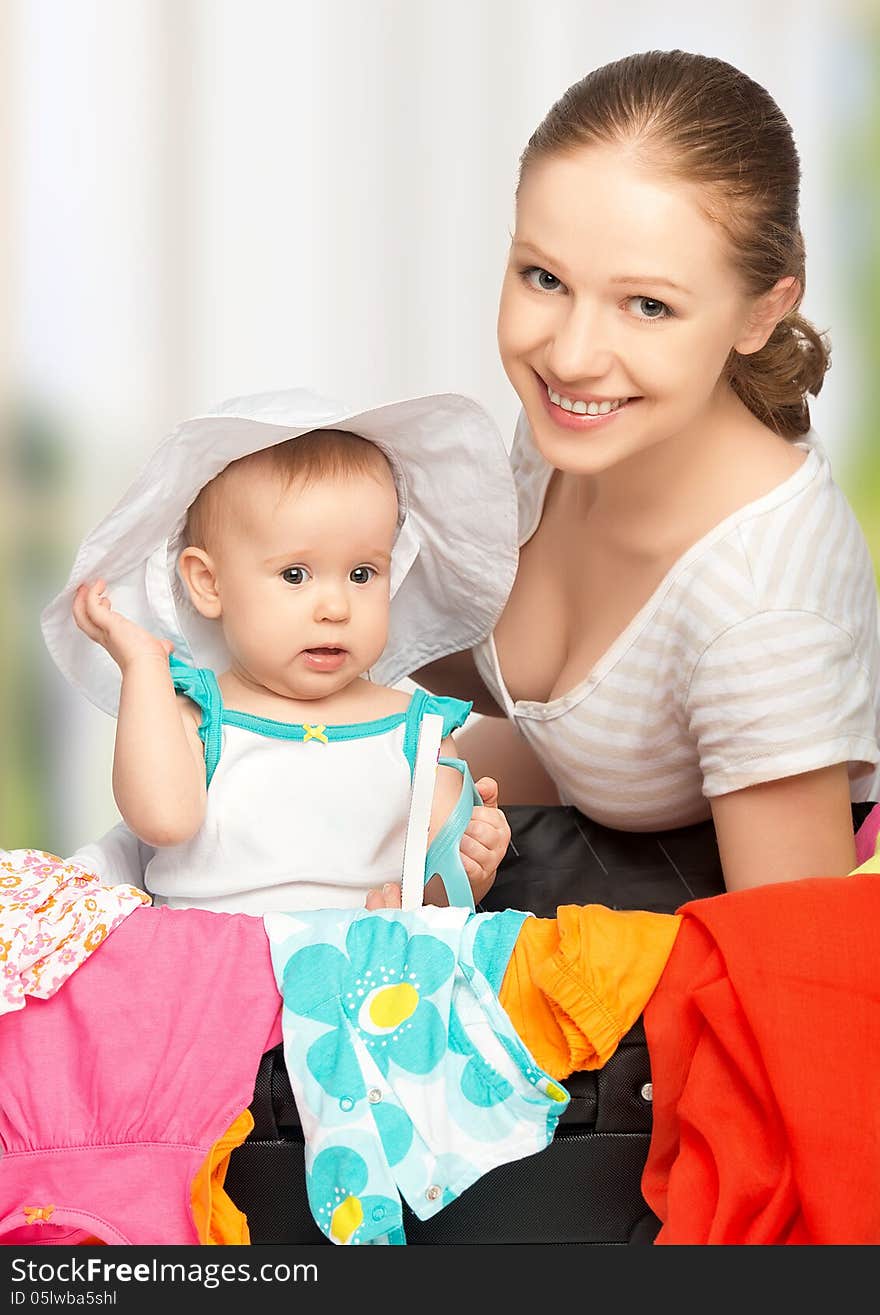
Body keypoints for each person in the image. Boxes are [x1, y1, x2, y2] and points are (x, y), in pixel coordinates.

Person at [412, 49, 880, 893]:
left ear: (763, 310)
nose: (573, 354)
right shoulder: (573, 432)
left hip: (653, 976)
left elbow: (788, 985)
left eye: (649, 304)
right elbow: (550, 729)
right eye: (544, 277)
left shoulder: (763, 611)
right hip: (544, 854)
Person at [42, 388, 520, 913]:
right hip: (214, 971)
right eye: (295, 575)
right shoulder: (198, 716)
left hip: (353, 972)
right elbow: (161, 821)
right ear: (209, 583)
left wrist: (468, 864)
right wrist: (144, 667)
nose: (336, 606)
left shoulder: (417, 730)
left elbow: (436, 897)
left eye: (362, 574)